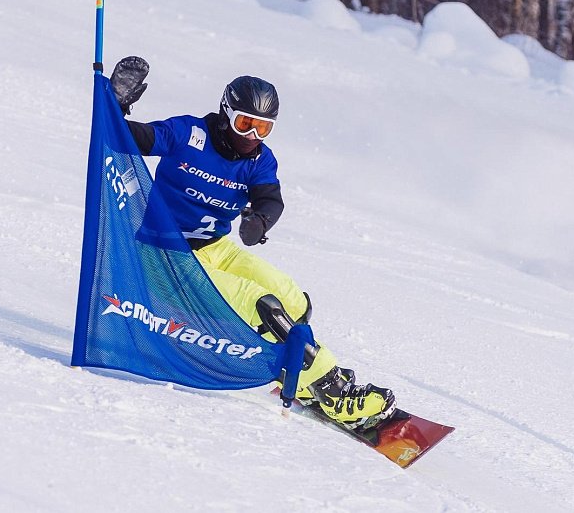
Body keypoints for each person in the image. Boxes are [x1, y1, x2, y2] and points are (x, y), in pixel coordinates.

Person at [108, 56, 395, 429]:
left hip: (213, 250)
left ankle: (299, 379)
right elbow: (133, 138)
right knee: (265, 306)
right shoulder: (189, 134)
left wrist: (260, 221)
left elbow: (269, 199)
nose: (252, 136)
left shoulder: (259, 159)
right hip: (163, 258)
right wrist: (116, 105)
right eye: (245, 123)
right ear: (226, 114)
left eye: (264, 128)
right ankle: (333, 391)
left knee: (291, 297)